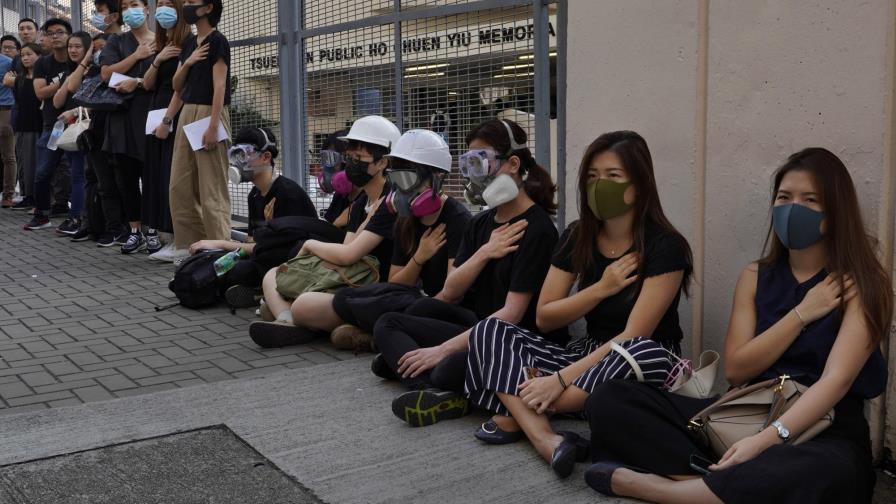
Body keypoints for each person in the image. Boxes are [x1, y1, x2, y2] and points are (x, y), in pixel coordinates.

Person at [584, 148, 889, 504]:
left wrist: (765, 440)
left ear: (836, 212)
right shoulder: (755, 276)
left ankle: (665, 490)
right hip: (743, 415)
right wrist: (802, 314)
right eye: (784, 197)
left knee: (829, 473)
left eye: (810, 200)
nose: (793, 208)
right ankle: (729, 484)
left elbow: (836, 382)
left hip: (824, 429)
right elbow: (739, 368)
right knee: (610, 399)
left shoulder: (864, 283)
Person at [464, 131, 692, 478]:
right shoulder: (577, 234)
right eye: (592, 176)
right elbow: (545, 317)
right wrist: (601, 288)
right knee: (489, 330)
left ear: (640, 183)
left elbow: (634, 335)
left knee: (638, 352)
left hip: (640, 357)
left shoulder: (666, 246)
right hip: (586, 352)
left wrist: (557, 379)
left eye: (613, 176)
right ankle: (546, 438)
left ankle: (522, 411)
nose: (600, 185)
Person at [376, 119, 560, 428]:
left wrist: (441, 350)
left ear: (513, 164)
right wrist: (485, 251)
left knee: (445, 366)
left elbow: (512, 315)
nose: (474, 173)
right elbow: (452, 291)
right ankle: (432, 384)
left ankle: (423, 380)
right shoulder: (481, 223)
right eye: (469, 162)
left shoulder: (538, 229)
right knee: (391, 320)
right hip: (477, 325)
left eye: (480, 161)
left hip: (513, 342)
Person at [256, 129, 471, 352]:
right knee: (298, 289)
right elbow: (395, 282)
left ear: (437, 177)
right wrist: (419, 258)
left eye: (409, 179)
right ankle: (300, 319)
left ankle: (328, 324)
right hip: (398, 297)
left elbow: (452, 296)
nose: (403, 190)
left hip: (426, 306)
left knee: (308, 305)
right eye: (397, 179)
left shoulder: (456, 221)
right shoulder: (404, 218)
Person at [248, 115, 401, 347]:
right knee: (273, 275)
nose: (350, 164)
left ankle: (294, 316)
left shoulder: (390, 202)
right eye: (349, 157)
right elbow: (347, 248)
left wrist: (310, 246)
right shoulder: (362, 202)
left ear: (383, 163)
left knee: (304, 303)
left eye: (359, 158)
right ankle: (289, 321)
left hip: (372, 284)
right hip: (350, 276)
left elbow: (349, 254)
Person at [187, 126, 317, 285]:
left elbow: (282, 250)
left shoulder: (288, 194)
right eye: (235, 155)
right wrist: (226, 255)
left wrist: (221, 243)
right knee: (212, 264)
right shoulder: (254, 195)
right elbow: (252, 241)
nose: (238, 162)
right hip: (264, 257)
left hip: (291, 264)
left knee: (235, 272)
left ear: (266, 157)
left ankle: (258, 290)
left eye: (244, 155)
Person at [170, 0, 232, 252]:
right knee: (179, 187)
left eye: (192, 2)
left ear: (208, 8)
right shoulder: (189, 44)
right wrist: (189, 61)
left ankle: (220, 249)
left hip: (209, 112)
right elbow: (176, 85)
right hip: (187, 112)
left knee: (212, 188)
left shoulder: (218, 41)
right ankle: (190, 248)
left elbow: (220, 86)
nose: (186, 5)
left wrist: (213, 126)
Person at [100, 0, 156, 253]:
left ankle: (154, 228)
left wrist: (136, 81)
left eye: (135, 4)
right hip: (122, 118)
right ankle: (135, 230)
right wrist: (137, 55)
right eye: (124, 7)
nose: (129, 10)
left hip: (151, 115)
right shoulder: (116, 42)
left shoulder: (161, 40)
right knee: (127, 177)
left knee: (154, 175)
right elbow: (106, 74)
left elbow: (165, 80)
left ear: (147, 9)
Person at [74, 0, 127, 246]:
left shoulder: (125, 47)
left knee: (116, 180)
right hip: (96, 129)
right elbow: (74, 87)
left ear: (114, 15)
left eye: (99, 12)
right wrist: (88, 58)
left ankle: (119, 228)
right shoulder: (94, 66)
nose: (99, 52)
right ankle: (98, 226)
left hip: (116, 126)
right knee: (97, 180)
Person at [143, 0, 191, 260]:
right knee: (156, 176)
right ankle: (166, 237)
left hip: (174, 115)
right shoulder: (162, 47)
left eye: (168, 4)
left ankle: (180, 239)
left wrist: (168, 121)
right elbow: (148, 84)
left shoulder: (190, 44)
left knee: (174, 178)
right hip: (156, 112)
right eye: (159, 4)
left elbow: (182, 88)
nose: (162, 10)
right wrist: (157, 60)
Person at [22, 18, 78, 231]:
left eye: (60, 32)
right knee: (43, 172)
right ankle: (42, 215)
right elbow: (39, 93)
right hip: (53, 127)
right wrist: (65, 83)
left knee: (78, 173)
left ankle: (76, 218)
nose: (55, 36)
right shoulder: (44, 63)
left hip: (76, 124)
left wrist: (55, 86)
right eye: (50, 33)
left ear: (70, 35)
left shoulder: (78, 59)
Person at [46, 31, 93, 235]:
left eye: (78, 47)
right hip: (71, 132)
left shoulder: (93, 70)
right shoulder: (70, 72)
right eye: (70, 46)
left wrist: (84, 64)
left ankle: (81, 218)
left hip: (87, 130)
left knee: (83, 176)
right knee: (76, 175)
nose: (73, 50)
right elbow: (57, 101)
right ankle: (76, 217)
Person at [6, 43, 41, 212]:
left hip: (36, 125)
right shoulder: (19, 78)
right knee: (23, 161)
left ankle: (36, 197)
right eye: (23, 55)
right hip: (21, 124)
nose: (25, 58)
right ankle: (27, 195)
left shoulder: (42, 77)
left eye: (29, 54)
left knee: (34, 162)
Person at [0, 37, 17, 208]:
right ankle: (7, 195)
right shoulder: (9, 62)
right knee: (8, 156)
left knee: (8, 156)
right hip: (6, 109)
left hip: (5, 109)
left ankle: (8, 195)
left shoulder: (8, 62)